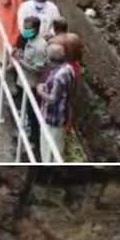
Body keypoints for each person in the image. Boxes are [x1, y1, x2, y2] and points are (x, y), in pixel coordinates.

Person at [12, 16, 48, 157]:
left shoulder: (40, 46)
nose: (25, 31)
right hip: (25, 81)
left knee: (32, 112)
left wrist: (20, 61)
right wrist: (20, 54)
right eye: (25, 27)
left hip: (32, 84)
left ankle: (34, 139)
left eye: (28, 28)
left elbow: (37, 69)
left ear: (37, 29)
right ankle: (27, 130)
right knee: (26, 108)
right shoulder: (29, 40)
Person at [35, 43, 73, 162]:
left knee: (47, 150)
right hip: (62, 117)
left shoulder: (58, 76)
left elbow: (52, 100)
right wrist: (46, 86)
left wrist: (40, 91)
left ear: (51, 59)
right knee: (58, 148)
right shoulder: (68, 68)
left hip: (52, 119)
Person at [48, 17, 84, 131]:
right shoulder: (75, 38)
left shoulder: (54, 42)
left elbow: (49, 60)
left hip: (61, 70)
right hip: (75, 68)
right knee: (71, 97)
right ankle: (68, 125)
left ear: (55, 28)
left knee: (59, 97)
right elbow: (80, 55)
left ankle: (58, 124)